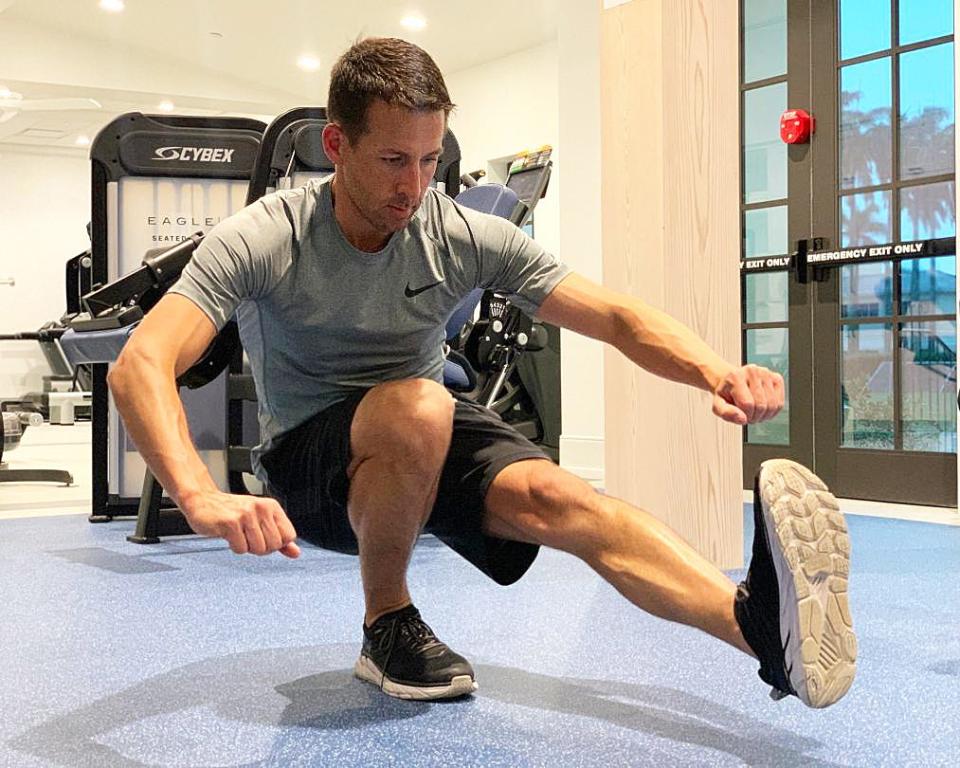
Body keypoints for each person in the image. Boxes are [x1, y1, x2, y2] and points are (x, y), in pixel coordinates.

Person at [108, 37, 856, 707]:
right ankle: (388, 621)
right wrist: (201, 497)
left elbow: (615, 316)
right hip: (311, 464)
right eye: (394, 159)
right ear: (337, 144)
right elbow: (142, 361)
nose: (415, 184)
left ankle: (761, 634)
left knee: (561, 495)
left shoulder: (460, 233)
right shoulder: (267, 236)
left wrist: (715, 372)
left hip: (419, 434)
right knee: (420, 407)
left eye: (430, 160)